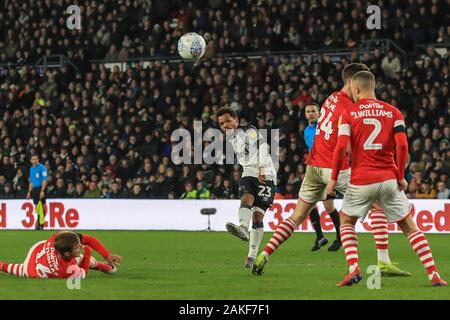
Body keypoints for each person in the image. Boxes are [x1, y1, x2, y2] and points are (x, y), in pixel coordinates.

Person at [253, 63, 409, 277]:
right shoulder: (349, 109)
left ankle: (264, 254)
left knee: (297, 216)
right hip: (333, 168)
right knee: (378, 203)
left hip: (313, 166)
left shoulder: (331, 98)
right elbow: (343, 146)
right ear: (352, 84)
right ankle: (382, 262)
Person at [326, 70, 446, 287]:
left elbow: (341, 147)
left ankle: (354, 269)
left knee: (346, 220)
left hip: (361, 180)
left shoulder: (349, 113)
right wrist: (400, 175)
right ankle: (433, 274)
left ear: (356, 89)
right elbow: (402, 146)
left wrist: (333, 179)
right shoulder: (394, 112)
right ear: (374, 88)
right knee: (409, 226)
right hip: (389, 178)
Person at [217, 107, 277, 268]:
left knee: (258, 217)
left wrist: (263, 168)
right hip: (249, 173)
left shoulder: (248, 131)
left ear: (236, 120)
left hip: (267, 174)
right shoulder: (232, 138)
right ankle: (243, 227)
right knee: (246, 197)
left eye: (228, 121)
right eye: (221, 124)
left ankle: (251, 256)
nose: (225, 126)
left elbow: (264, 146)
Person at [0, 231, 122, 279]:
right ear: (68, 253)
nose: (80, 246)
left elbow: (88, 239)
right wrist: (88, 253)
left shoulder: (59, 237)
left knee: (8, 267)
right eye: (77, 246)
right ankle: (104, 267)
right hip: (31, 270)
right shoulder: (66, 271)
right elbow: (83, 272)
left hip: (35, 253)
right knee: (87, 261)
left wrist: (107, 255)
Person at [304, 102, 341, 251]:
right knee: (310, 203)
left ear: (320, 113)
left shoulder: (325, 128)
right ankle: (320, 237)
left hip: (327, 169)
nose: (311, 113)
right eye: (308, 111)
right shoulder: (307, 130)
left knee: (328, 205)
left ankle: (340, 238)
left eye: (313, 111)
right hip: (314, 170)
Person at [26, 155, 48, 230]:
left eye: (36, 159)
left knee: (40, 206)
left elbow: (45, 179)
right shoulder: (31, 169)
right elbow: (31, 181)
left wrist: (43, 190)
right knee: (37, 207)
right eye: (33, 159)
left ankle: (41, 225)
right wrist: (29, 191)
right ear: (31, 161)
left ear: (38, 160)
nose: (34, 160)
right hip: (35, 190)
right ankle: (40, 224)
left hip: (40, 188)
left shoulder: (42, 167)